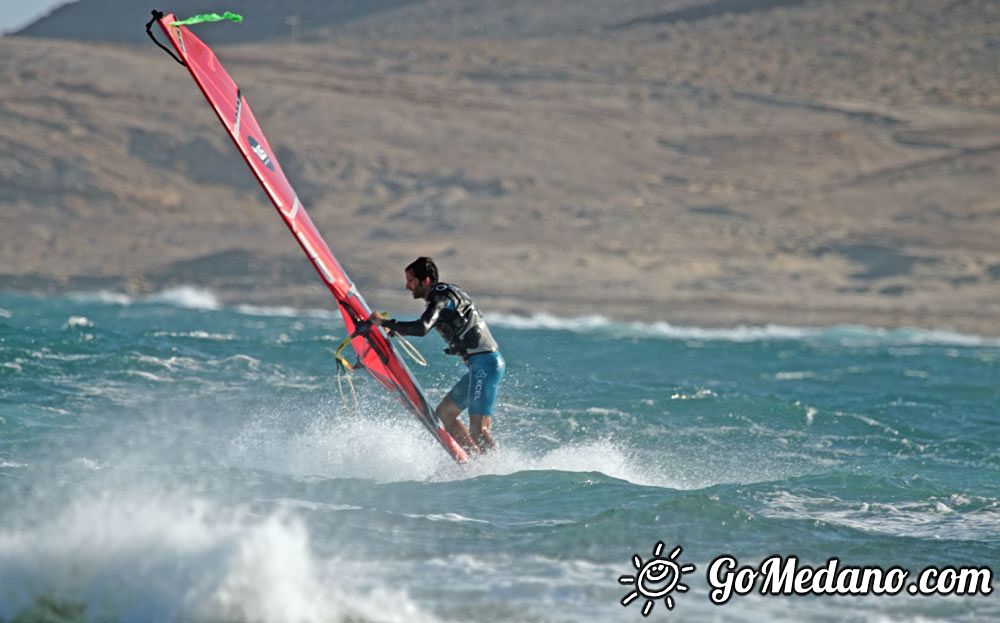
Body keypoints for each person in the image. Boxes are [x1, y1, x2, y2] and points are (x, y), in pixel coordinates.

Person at [371, 257, 504, 454]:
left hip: (486, 365)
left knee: (479, 430)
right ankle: (476, 461)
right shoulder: (446, 293)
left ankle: (497, 470)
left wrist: (384, 322)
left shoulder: (440, 297)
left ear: (425, 281)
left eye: (411, 280)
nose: (408, 286)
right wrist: (400, 329)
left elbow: (422, 327)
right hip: (480, 365)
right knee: (444, 415)